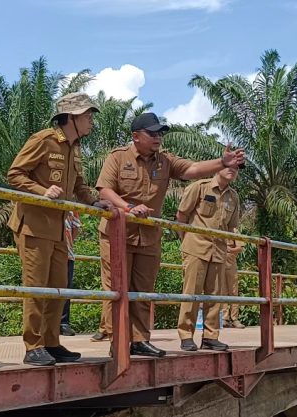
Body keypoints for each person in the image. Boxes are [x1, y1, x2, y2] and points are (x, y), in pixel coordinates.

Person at [94, 112, 245, 357]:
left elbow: (193, 169)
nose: (158, 138)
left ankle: (140, 340)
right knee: (117, 290)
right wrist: (128, 208)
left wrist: (222, 161)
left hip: (149, 237)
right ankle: (119, 341)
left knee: (143, 292)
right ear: (136, 136)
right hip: (118, 233)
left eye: (160, 133)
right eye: (152, 133)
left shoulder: (165, 161)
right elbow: (104, 190)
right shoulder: (118, 158)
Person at [7, 92, 112, 366]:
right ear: (72, 117)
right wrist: (42, 191)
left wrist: (95, 201)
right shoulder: (44, 140)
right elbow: (15, 174)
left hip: (58, 228)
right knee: (37, 287)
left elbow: (78, 186)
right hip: (33, 225)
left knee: (59, 287)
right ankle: (33, 346)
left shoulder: (75, 149)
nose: (91, 121)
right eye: (87, 116)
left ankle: (52, 343)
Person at [175, 166, 241, 351]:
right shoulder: (200, 187)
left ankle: (211, 336)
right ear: (219, 167)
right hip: (196, 247)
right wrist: (187, 241)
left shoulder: (233, 196)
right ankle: (186, 335)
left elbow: (231, 227)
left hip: (219, 251)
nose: (233, 170)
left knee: (215, 295)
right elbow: (181, 215)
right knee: (192, 293)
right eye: (230, 166)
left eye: (237, 168)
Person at [60, 211, 82, 336]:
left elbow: (76, 227)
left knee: (66, 287)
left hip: (67, 251)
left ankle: (63, 322)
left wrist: (67, 242)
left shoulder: (71, 204)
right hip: (47, 250)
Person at [222, 236, 246, 329]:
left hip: (230, 264)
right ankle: (224, 318)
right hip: (219, 264)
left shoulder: (234, 231)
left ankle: (235, 318)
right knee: (221, 291)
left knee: (233, 291)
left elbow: (240, 248)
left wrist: (229, 250)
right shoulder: (218, 227)